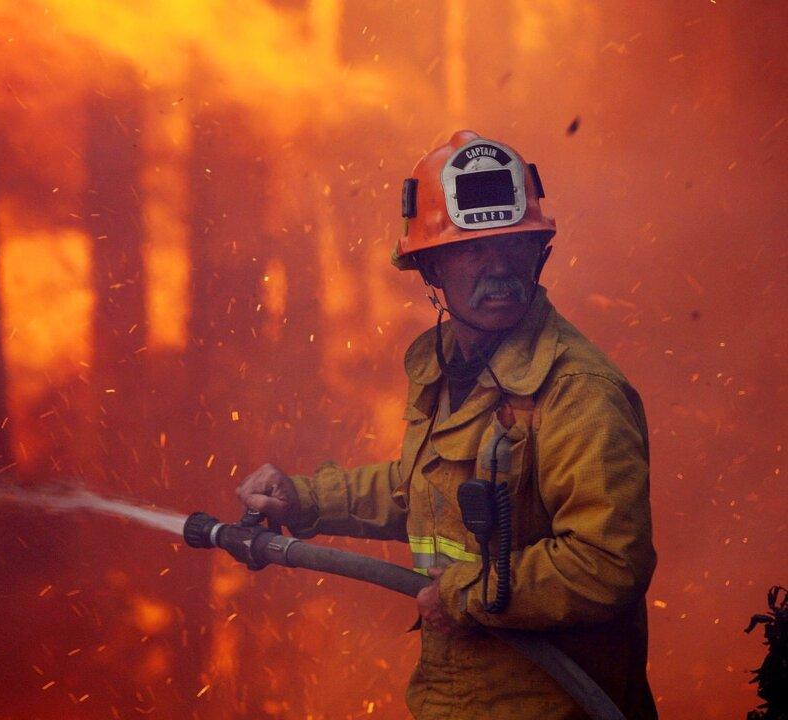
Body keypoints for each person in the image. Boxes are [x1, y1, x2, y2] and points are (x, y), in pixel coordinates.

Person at [236, 130, 657, 719]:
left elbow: (608, 563)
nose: (499, 269)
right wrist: (305, 498)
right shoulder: (447, 367)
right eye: (472, 251)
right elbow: (426, 490)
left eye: (514, 247)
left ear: (539, 252)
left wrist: (465, 591)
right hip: (458, 701)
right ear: (429, 267)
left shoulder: (577, 391)